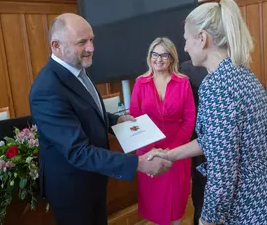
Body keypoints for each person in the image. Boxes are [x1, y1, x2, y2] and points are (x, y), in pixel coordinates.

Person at [148, 0, 267, 225]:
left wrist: (207, 220)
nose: (185, 47)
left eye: (186, 39)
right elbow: (216, 141)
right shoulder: (242, 73)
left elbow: (223, 171)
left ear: (202, 38)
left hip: (251, 208)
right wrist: (170, 155)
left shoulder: (217, 86)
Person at [29, 13, 172, 225]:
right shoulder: (47, 89)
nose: (91, 48)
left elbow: (88, 113)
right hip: (72, 190)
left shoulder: (78, 70)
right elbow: (78, 151)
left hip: (92, 179)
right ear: (56, 45)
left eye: (92, 40)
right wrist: (138, 163)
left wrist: (115, 122)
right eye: (82, 42)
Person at [129, 37, 196, 225]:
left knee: (176, 207)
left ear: (172, 58)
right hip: (148, 153)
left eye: (164, 55)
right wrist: (152, 151)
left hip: (177, 151)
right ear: (150, 57)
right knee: (156, 206)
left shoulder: (183, 83)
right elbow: (135, 119)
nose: (159, 59)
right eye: (155, 54)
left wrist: (171, 152)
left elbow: (189, 119)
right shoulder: (140, 83)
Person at [179, 60, 208, 225]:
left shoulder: (187, 68)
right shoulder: (186, 68)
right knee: (200, 183)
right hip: (197, 136)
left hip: (202, 136)